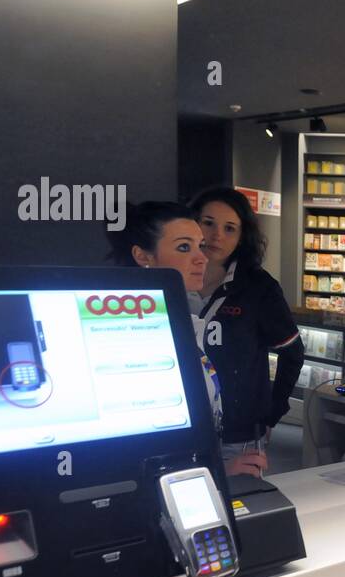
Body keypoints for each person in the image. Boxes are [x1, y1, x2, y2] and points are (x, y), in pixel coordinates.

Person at [105, 201, 267, 477]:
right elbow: (139, 449)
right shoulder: (132, 336)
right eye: (184, 247)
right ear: (143, 256)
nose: (201, 258)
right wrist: (218, 472)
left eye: (199, 245)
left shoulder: (183, 324)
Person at [188, 187, 305, 468]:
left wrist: (272, 412)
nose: (217, 235)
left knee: (239, 508)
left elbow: (292, 353)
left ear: (242, 238)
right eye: (208, 223)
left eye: (230, 228)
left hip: (237, 435)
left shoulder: (259, 288)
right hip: (180, 428)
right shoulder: (171, 278)